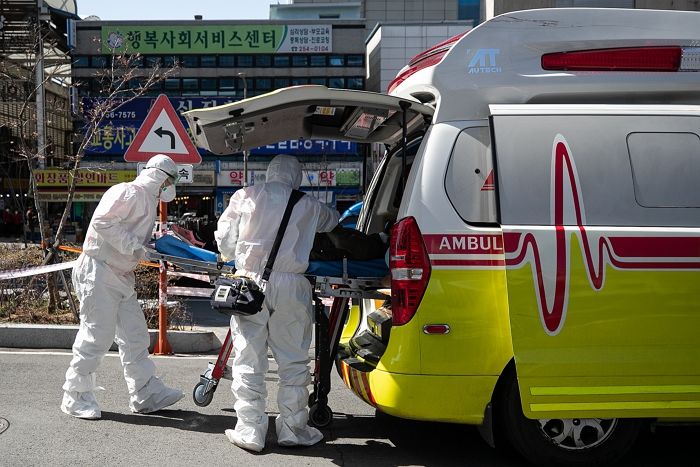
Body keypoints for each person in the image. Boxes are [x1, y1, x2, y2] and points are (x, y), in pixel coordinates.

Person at [215, 155, 339, 452]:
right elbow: (333, 220)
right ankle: (294, 429)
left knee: (249, 356)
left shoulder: (246, 195)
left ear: (269, 173)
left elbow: (225, 237)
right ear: (295, 177)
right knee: (294, 359)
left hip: (250, 284)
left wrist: (233, 255)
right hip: (292, 284)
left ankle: (250, 431)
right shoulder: (308, 204)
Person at [61, 154, 184, 420]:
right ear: (161, 177)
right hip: (99, 271)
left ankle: (145, 392)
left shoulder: (146, 200)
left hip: (119, 275)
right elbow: (102, 223)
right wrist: (135, 248)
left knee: (134, 335)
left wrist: (145, 249)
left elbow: (129, 235)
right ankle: (75, 395)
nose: (170, 187)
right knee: (96, 336)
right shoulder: (128, 191)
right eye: (170, 181)